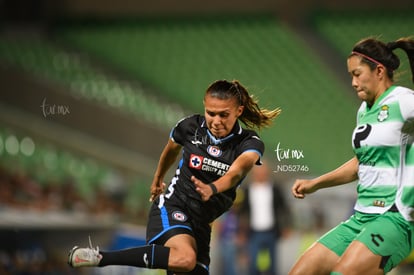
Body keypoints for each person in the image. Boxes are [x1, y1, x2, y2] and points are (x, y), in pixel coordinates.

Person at [67, 79, 281, 274]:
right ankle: (100, 257)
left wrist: (212, 188)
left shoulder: (249, 142)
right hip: (173, 207)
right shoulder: (190, 126)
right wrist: (158, 178)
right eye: (210, 113)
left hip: (201, 223)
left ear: (238, 111)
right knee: (185, 259)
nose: (216, 120)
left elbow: (236, 172)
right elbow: (171, 149)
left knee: (188, 266)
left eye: (223, 114)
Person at [289, 37, 414, 275]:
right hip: (361, 217)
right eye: (350, 76)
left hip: (394, 218)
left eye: (357, 74)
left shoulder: (403, 101)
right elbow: (361, 163)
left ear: (379, 70)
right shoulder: (364, 111)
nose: (354, 82)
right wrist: (315, 184)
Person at [240, 160, 290, 275]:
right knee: (252, 265)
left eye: (263, 171)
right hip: (253, 232)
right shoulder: (247, 190)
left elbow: (283, 209)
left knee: (272, 266)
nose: (261, 173)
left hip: (271, 231)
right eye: (258, 171)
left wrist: (286, 226)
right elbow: (242, 212)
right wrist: (241, 231)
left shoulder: (275, 189)